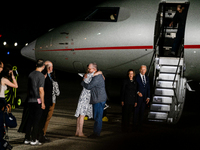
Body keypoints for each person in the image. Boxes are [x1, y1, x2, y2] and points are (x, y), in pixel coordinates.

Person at [75, 65, 102, 137]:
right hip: (86, 96)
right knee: (82, 115)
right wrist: (99, 72)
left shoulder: (86, 75)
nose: (90, 70)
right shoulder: (90, 75)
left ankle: (77, 131)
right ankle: (80, 132)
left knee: (80, 114)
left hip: (83, 95)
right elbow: (99, 72)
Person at [81, 63, 107, 138]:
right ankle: (96, 132)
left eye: (90, 69)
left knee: (97, 117)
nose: (88, 70)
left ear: (94, 69)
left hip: (98, 99)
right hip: (99, 98)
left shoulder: (97, 77)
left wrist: (83, 82)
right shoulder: (97, 74)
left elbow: (89, 86)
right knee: (97, 117)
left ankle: (96, 134)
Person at [24, 59, 45, 146]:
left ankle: (27, 138)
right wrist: (43, 102)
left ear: (36, 65)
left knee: (29, 120)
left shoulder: (31, 74)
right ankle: (34, 139)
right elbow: (41, 90)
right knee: (37, 121)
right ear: (43, 66)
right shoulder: (41, 76)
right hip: (37, 100)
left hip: (30, 100)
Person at [38, 61, 54, 142]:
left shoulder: (49, 76)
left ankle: (41, 135)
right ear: (49, 68)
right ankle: (39, 136)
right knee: (42, 119)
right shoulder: (44, 77)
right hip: (44, 101)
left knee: (44, 119)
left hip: (47, 101)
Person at [134, 65, 150, 130]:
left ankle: (140, 127)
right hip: (138, 98)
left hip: (144, 98)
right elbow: (134, 87)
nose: (143, 71)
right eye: (142, 69)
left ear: (146, 70)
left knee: (142, 113)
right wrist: (137, 92)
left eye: (144, 70)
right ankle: (134, 127)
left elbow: (148, 88)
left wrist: (148, 97)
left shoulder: (147, 77)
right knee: (136, 112)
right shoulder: (136, 77)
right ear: (140, 70)